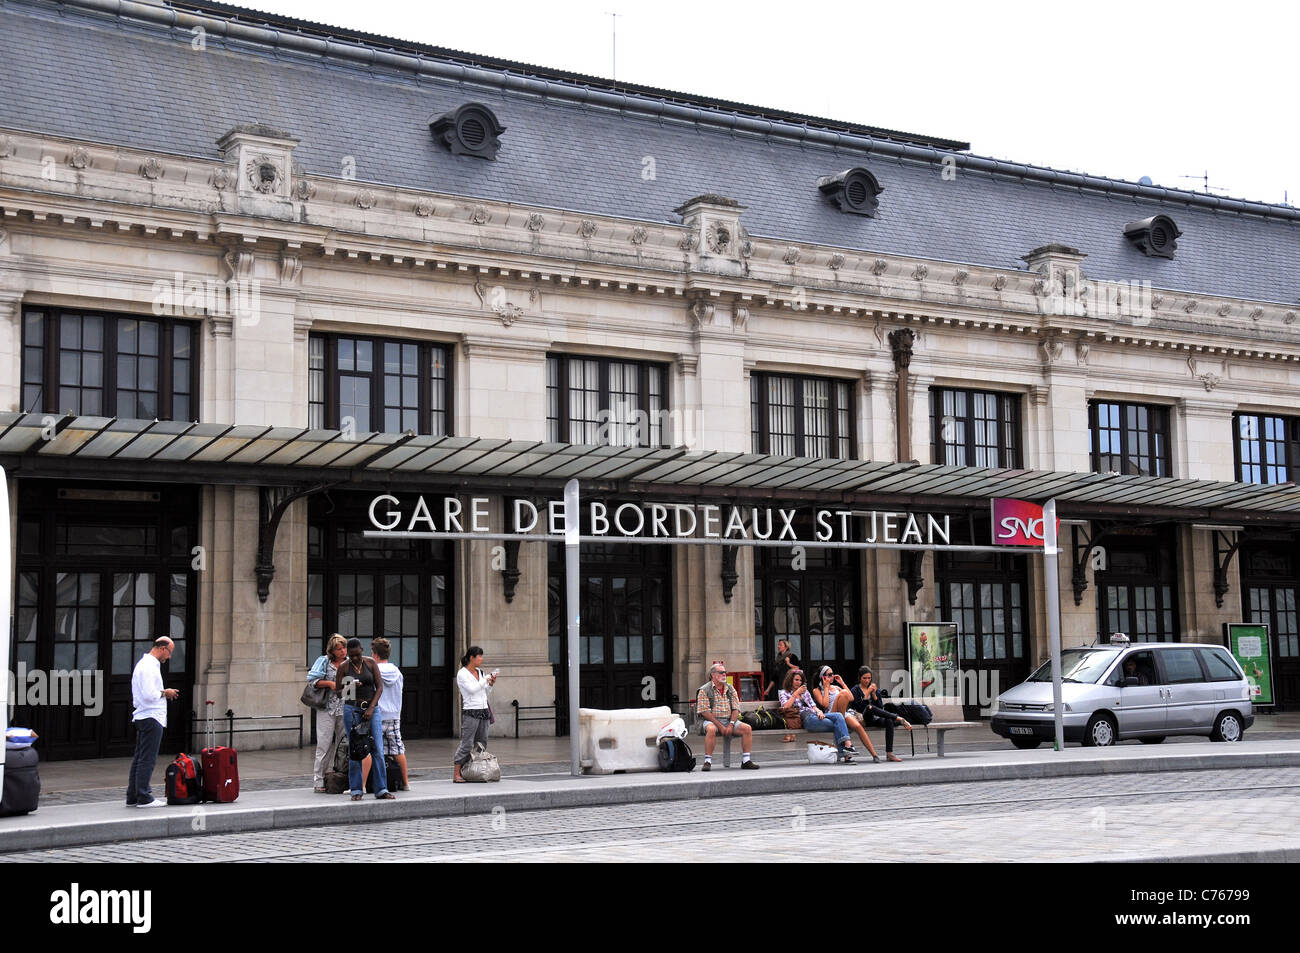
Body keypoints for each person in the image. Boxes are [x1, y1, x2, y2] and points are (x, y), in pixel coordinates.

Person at [337, 637, 393, 801]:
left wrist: (371, 708)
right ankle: (356, 790)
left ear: (362, 651)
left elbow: (379, 686)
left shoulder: (370, 663)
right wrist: (350, 686)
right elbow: (339, 691)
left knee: (377, 748)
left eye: (357, 655)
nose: (354, 658)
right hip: (352, 709)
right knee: (355, 749)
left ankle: (381, 788)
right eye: (351, 655)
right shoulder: (344, 667)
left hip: (371, 709)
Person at [126, 637, 179, 808]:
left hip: (144, 716)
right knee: (147, 759)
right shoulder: (149, 666)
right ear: (163, 648)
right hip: (151, 716)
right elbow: (150, 694)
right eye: (170, 652)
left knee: (139, 758)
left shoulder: (144, 664)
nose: (169, 657)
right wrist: (166, 692)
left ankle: (133, 796)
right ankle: (144, 796)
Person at [778, 668, 856, 763]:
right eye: (796, 680)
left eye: (800, 680)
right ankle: (846, 754)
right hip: (806, 718)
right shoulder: (783, 692)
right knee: (839, 724)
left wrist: (819, 711)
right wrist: (796, 694)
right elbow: (785, 707)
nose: (799, 682)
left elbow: (813, 706)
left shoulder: (805, 693)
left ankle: (848, 746)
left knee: (839, 716)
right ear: (790, 680)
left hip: (815, 715)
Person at [695, 663, 759, 770]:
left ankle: (746, 761)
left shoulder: (730, 688)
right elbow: (705, 712)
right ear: (713, 675)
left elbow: (735, 709)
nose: (724, 674)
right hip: (710, 721)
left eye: (725, 672)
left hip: (729, 720)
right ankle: (707, 762)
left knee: (747, 728)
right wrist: (720, 726)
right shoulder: (704, 690)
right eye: (721, 672)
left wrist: (731, 724)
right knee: (711, 729)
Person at [811, 665, 881, 761]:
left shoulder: (836, 687)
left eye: (833, 674)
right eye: (829, 674)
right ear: (823, 677)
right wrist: (826, 688)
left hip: (843, 713)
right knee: (843, 694)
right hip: (831, 714)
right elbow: (825, 705)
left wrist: (842, 683)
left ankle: (874, 755)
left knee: (858, 726)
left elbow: (851, 698)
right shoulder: (817, 690)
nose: (832, 676)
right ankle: (846, 751)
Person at [307, 634, 348, 793]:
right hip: (326, 708)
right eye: (338, 648)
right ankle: (318, 780)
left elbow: (350, 688)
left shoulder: (349, 663)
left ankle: (340, 778)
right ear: (332, 650)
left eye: (343, 647)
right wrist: (330, 683)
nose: (342, 651)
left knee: (343, 745)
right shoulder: (324, 661)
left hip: (344, 708)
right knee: (323, 744)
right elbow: (312, 681)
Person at [848, 665, 911, 762]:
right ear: (860, 678)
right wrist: (867, 694)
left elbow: (880, 707)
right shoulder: (855, 690)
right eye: (864, 678)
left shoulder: (875, 689)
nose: (867, 680)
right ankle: (899, 719)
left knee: (889, 720)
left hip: (875, 718)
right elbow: (859, 708)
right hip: (863, 719)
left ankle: (889, 754)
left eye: (869, 678)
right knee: (870, 708)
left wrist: (874, 695)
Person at [454, 646, 497, 783]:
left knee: (482, 742)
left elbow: (484, 693)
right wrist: (485, 680)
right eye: (479, 656)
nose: (481, 659)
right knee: (467, 743)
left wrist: (490, 684)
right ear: (471, 657)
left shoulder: (480, 672)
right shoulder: (462, 673)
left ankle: (475, 769)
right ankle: (456, 773)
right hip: (471, 711)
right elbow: (472, 690)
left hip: (483, 710)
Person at [371, 637, 407, 789]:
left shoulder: (374, 671)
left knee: (372, 749)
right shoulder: (397, 672)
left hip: (378, 715)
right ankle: (406, 783)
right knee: (397, 749)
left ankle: (365, 785)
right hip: (394, 715)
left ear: (375, 655)